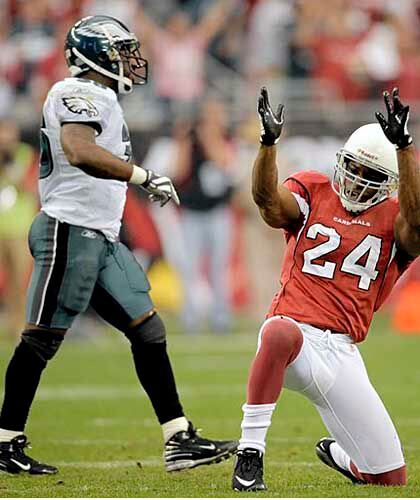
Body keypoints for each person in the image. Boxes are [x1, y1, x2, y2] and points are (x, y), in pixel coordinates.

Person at [0, 15, 237, 475]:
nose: (130, 59)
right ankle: (5, 440)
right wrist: (143, 176)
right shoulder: (77, 92)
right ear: (94, 55)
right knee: (40, 339)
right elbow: (78, 147)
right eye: (120, 51)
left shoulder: (101, 95)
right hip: (69, 229)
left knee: (148, 330)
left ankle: (178, 438)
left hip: (99, 236)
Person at [231, 86, 419, 491]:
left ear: (390, 183)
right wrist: (267, 144)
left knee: (390, 478)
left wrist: (405, 149)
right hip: (296, 339)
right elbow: (266, 199)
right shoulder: (313, 190)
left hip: (343, 353)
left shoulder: (395, 218)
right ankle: (250, 451)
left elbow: (417, 225)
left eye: (370, 175)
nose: (356, 180)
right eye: (353, 167)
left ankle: (341, 456)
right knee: (279, 330)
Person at [0, 119, 38, 339]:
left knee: (21, 282)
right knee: (7, 284)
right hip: (1, 228)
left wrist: (12, 169)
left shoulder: (26, 155)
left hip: (21, 230)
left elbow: (32, 187)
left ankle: (19, 329)